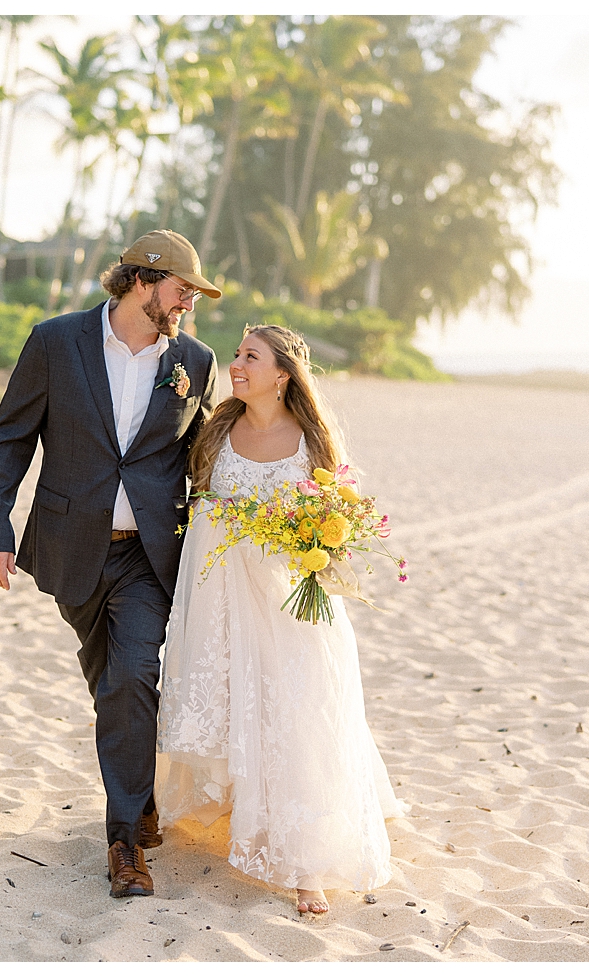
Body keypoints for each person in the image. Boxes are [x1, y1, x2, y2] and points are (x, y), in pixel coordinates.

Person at [0, 230, 221, 899]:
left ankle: (124, 843)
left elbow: (203, 461)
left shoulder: (195, 360)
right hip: (71, 548)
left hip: (149, 556)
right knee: (111, 682)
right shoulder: (55, 342)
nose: (188, 305)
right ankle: (137, 792)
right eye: (181, 290)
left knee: (133, 674)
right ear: (143, 280)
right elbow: (9, 438)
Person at [156, 324, 405, 915]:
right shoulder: (215, 429)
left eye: (250, 357)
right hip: (225, 600)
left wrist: (312, 539)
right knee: (238, 703)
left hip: (292, 605)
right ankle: (234, 812)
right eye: (237, 355)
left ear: (283, 374)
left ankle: (306, 863)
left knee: (298, 715)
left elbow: (334, 514)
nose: (236, 365)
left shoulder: (311, 441)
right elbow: (199, 504)